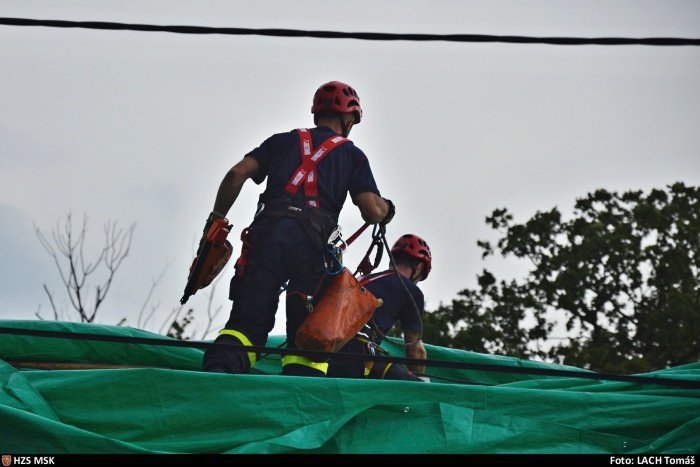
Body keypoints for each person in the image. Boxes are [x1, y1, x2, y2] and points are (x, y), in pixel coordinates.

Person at [200, 80, 395, 377]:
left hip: (266, 237)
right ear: (348, 118)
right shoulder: (352, 155)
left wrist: (215, 223)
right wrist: (387, 210)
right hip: (312, 248)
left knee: (244, 328)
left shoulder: (280, 141)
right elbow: (371, 209)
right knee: (309, 340)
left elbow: (236, 174)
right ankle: (297, 401)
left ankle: (216, 378)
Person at [327, 234, 431, 381]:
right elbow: (416, 351)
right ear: (419, 268)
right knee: (414, 386)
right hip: (356, 356)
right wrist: (423, 383)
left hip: (327, 354)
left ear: (392, 260)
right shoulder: (410, 290)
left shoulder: (364, 279)